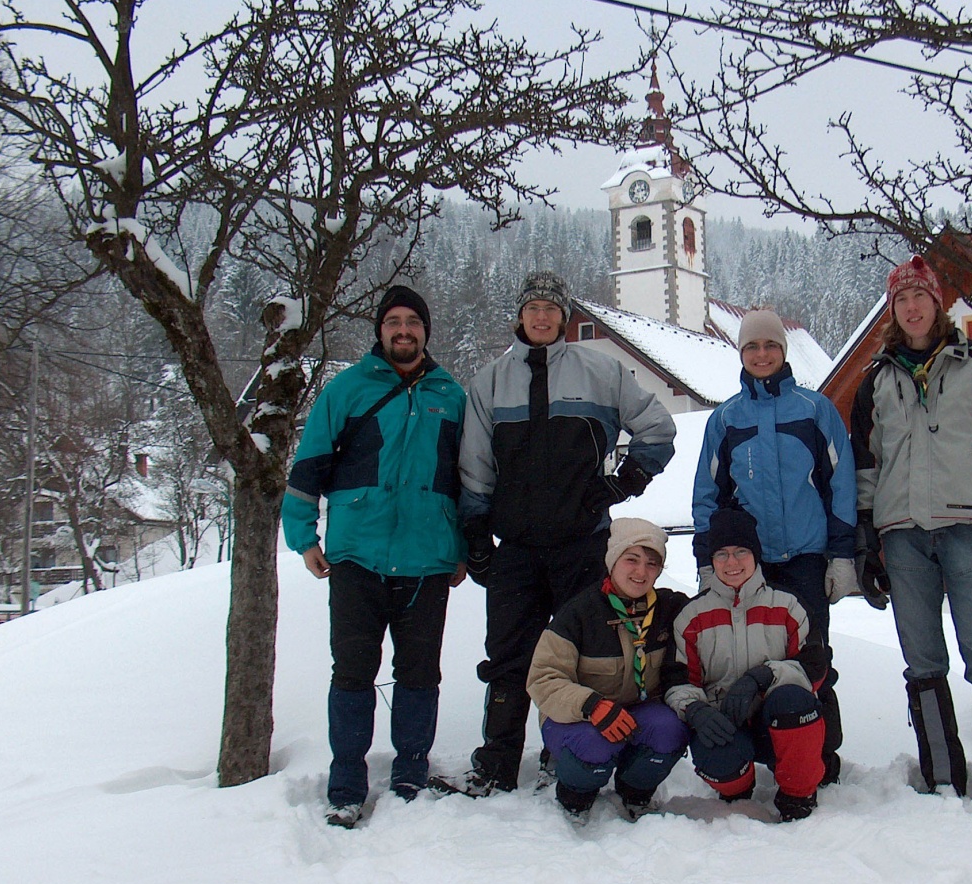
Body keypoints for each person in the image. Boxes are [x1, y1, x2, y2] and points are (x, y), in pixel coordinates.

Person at [458, 271, 677, 795]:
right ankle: (496, 762)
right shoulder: (489, 382)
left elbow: (658, 429)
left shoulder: (601, 372)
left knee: (583, 656)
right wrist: (475, 534)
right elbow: (474, 465)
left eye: (551, 309)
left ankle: (565, 750)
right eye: (532, 307)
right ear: (519, 316)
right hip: (516, 547)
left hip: (582, 544)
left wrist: (622, 484)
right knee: (509, 655)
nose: (541, 317)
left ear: (564, 317)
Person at [850, 254, 972, 824]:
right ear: (893, 309)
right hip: (903, 537)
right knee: (923, 662)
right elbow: (865, 468)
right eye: (902, 299)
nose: (911, 307)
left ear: (937, 304)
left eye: (920, 298)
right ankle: (942, 782)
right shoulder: (874, 382)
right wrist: (864, 539)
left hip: (968, 531)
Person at [283, 285, 467, 828]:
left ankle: (411, 773)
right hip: (356, 556)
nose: (403, 330)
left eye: (413, 321)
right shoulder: (347, 389)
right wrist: (304, 539)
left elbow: (469, 480)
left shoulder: (451, 395)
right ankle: (346, 784)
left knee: (418, 674)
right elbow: (309, 465)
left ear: (426, 331)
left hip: (427, 560)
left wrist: (460, 549)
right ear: (380, 331)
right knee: (353, 673)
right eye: (394, 322)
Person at [691, 308, 857, 785]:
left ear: (783, 352)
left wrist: (841, 555)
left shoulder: (814, 410)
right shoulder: (726, 419)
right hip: (748, 567)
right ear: (740, 353)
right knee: (748, 658)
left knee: (812, 658)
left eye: (770, 346)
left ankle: (822, 757)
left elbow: (840, 487)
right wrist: (708, 561)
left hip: (805, 558)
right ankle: (759, 748)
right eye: (751, 347)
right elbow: (708, 497)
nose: (761, 355)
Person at [664, 508, 829, 822]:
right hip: (726, 722)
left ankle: (798, 794)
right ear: (711, 560)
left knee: (795, 702)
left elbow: (815, 666)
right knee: (716, 752)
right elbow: (677, 678)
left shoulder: (788, 604)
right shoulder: (692, 615)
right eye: (722, 554)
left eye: (741, 552)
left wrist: (764, 676)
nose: (732, 562)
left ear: (755, 555)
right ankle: (737, 792)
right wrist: (695, 710)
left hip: (777, 721)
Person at [526, 519, 691, 822]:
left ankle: (635, 791)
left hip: (636, 712)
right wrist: (590, 705)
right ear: (613, 560)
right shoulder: (579, 613)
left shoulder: (669, 609)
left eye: (652, 564)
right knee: (595, 744)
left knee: (671, 729)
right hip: (578, 719)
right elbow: (543, 678)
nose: (641, 572)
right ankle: (576, 794)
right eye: (632, 560)